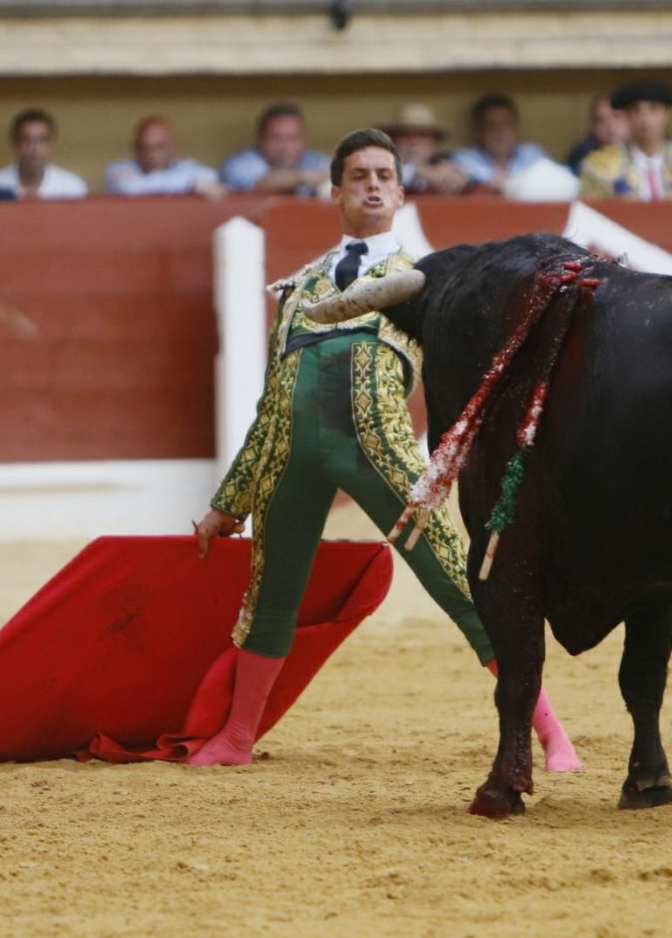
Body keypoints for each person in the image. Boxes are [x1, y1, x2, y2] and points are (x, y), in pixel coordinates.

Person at [191, 127, 581, 772]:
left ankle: (549, 734)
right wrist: (228, 502)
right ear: (336, 191)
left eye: (383, 177)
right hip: (289, 452)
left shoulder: (431, 284)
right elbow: (270, 404)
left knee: (458, 580)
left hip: (379, 445)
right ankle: (237, 737)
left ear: (400, 194)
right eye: (358, 176)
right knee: (270, 591)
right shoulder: (298, 289)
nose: (372, 185)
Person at [578, 79, 672, 200]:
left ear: (666, 114)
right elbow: (590, 215)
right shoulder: (598, 167)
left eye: (653, 109)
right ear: (627, 116)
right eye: (636, 110)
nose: (644, 118)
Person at [450, 94, 559, 195]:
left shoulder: (534, 156)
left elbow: (559, 183)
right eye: (491, 125)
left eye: (506, 124)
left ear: (516, 128)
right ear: (479, 130)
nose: (499, 131)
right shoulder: (464, 159)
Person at [219, 103, 332, 197]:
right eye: (276, 138)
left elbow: (334, 171)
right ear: (260, 139)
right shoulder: (240, 164)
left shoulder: (312, 160)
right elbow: (261, 183)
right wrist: (307, 178)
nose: (285, 146)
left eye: (292, 138)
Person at [0, 109, 88, 201]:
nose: (34, 148)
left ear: (51, 145)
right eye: (26, 140)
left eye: (42, 140)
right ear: (15, 144)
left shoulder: (73, 188)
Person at [103, 116, 226, 199]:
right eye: (144, 147)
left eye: (159, 147)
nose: (151, 154)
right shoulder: (119, 169)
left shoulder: (189, 168)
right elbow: (129, 187)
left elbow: (210, 177)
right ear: (135, 149)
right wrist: (190, 185)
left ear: (175, 147)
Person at [379, 103, 470, 196]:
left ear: (434, 144)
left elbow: (469, 175)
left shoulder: (446, 162)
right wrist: (420, 172)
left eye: (421, 135)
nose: (413, 142)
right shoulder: (379, 163)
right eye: (404, 135)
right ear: (392, 141)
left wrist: (456, 178)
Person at [564, 93, 629, 178]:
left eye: (616, 116)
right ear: (592, 127)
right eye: (600, 120)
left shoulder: (638, 149)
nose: (610, 125)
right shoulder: (582, 157)